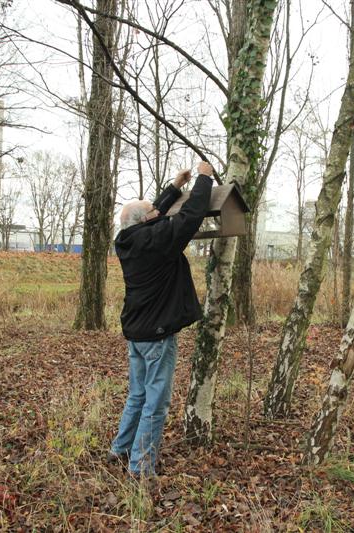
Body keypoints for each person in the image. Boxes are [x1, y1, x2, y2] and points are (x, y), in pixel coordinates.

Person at [108, 161, 214, 477]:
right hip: (156, 336)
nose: (158, 212)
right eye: (154, 211)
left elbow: (150, 214)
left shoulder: (126, 239)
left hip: (137, 332)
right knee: (156, 403)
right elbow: (189, 218)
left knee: (137, 395)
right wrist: (204, 180)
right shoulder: (157, 240)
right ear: (148, 221)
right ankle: (140, 467)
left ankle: (121, 449)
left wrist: (175, 186)